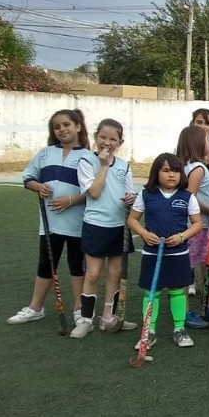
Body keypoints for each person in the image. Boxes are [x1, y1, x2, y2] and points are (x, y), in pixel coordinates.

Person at [8, 110, 94, 327]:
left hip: (77, 223)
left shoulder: (89, 156)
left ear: (78, 127)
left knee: (77, 265)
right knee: (46, 263)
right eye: (57, 127)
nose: (62, 129)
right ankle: (36, 307)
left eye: (66, 124)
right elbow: (28, 177)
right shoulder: (45, 154)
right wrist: (37, 186)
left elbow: (94, 191)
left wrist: (72, 200)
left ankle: (78, 309)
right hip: (50, 223)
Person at [127, 153, 203, 348]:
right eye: (166, 170)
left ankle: (179, 329)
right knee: (152, 293)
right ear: (156, 172)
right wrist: (144, 234)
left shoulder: (187, 197)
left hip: (177, 254)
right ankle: (148, 331)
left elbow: (197, 224)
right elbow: (132, 219)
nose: (171, 175)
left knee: (178, 291)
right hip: (152, 254)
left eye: (176, 171)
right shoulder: (146, 195)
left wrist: (181, 237)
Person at [71, 118, 137, 338]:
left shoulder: (125, 165)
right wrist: (104, 165)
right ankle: (86, 320)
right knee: (93, 274)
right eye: (102, 137)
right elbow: (95, 192)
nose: (107, 142)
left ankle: (108, 317)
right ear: (95, 136)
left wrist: (130, 198)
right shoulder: (86, 161)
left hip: (119, 226)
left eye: (113, 139)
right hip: (96, 225)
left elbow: (130, 195)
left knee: (115, 273)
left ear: (120, 142)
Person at [176, 126, 209, 328]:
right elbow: (189, 197)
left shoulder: (200, 166)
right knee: (189, 267)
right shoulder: (197, 168)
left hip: (205, 225)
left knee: (207, 263)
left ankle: (207, 305)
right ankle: (185, 311)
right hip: (198, 226)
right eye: (206, 139)